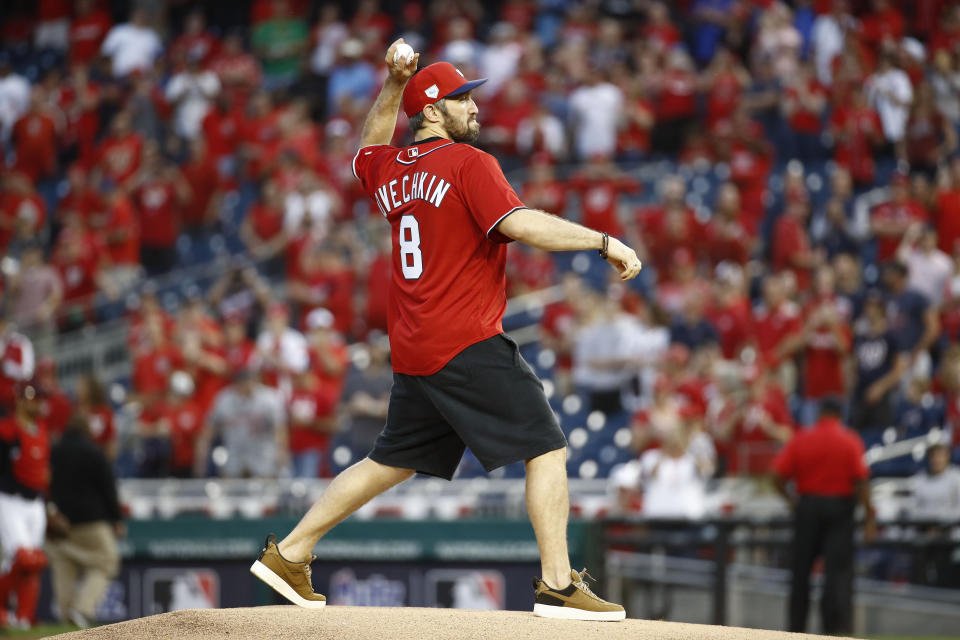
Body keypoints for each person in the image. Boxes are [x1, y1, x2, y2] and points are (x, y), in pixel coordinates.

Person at [250, 40, 641, 622]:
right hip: (464, 339)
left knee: (389, 462)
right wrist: (602, 241)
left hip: (414, 346)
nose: (473, 107)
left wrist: (390, 81)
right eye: (461, 98)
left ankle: (291, 553)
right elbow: (519, 223)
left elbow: (367, 149)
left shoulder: (388, 172)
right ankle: (559, 586)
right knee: (548, 447)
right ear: (432, 111)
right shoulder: (468, 163)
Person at [772, 397, 876, 635]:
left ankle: (795, 631)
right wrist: (870, 517)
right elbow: (861, 482)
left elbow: (777, 477)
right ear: (839, 414)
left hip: (807, 508)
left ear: (819, 413)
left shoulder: (802, 438)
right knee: (837, 578)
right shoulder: (849, 439)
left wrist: (793, 502)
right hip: (840, 510)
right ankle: (836, 633)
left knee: (800, 576)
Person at [46, 416, 124, 628]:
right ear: (87, 432)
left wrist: (49, 511)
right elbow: (108, 488)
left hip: (59, 522)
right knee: (107, 560)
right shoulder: (94, 452)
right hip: (91, 521)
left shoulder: (53, 451)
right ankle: (82, 610)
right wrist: (116, 518)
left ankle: (66, 618)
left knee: (64, 567)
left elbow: (42, 482)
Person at [0, 381, 49, 629]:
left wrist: (50, 505)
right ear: (20, 400)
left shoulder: (40, 429)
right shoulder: (7, 431)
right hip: (11, 500)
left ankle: (24, 618)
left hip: (36, 503)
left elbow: (43, 472)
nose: (39, 403)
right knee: (23, 558)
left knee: (35, 561)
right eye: (33, 398)